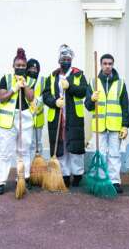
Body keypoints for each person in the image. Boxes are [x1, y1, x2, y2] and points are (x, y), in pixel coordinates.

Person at [43, 44, 87, 187]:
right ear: (59, 60)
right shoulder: (52, 76)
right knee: (61, 147)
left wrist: (70, 87)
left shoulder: (78, 74)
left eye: (68, 58)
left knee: (75, 146)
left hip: (74, 117)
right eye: (63, 58)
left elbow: (83, 91)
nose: (66, 61)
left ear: (71, 59)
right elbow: (46, 95)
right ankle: (65, 175)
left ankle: (78, 173)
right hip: (57, 118)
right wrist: (55, 102)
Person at [85, 53, 129, 194]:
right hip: (99, 126)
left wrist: (125, 125)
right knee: (100, 154)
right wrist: (92, 99)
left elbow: (125, 106)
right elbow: (88, 106)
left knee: (115, 154)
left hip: (115, 126)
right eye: (105, 63)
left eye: (110, 64)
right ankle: (101, 180)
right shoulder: (93, 83)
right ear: (101, 64)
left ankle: (115, 181)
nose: (107, 66)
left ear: (113, 65)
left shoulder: (120, 83)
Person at [0, 48, 34, 195]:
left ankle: (23, 179)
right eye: (18, 65)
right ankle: (0, 182)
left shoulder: (30, 80)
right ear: (13, 65)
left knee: (24, 151)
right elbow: (2, 98)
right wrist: (14, 88)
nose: (20, 68)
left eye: (23, 66)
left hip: (25, 118)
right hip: (9, 120)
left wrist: (24, 86)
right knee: (5, 151)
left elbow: (31, 98)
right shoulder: (5, 78)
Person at [26, 59, 45, 161]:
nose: (33, 70)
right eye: (31, 68)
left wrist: (38, 101)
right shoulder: (24, 80)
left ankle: (37, 167)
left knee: (38, 144)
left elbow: (45, 94)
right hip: (26, 118)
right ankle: (26, 169)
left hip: (38, 118)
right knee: (27, 143)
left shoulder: (42, 80)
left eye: (35, 68)